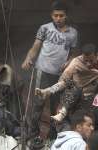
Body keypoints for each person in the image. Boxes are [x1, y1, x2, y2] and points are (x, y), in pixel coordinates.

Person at [21, 0, 78, 145]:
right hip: (43, 71)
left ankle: (54, 135)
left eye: (61, 16)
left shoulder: (73, 33)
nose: (58, 18)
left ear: (66, 16)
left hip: (59, 75)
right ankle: (32, 134)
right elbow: (36, 46)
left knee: (56, 105)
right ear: (51, 15)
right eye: (55, 15)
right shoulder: (44, 28)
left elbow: (73, 53)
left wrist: (69, 62)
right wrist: (28, 59)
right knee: (38, 104)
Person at [36, 44, 98, 133]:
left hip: (89, 102)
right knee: (74, 86)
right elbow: (63, 82)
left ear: (97, 56)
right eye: (85, 61)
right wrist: (51, 91)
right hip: (72, 98)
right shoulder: (76, 63)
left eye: (91, 60)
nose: (88, 63)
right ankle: (52, 97)